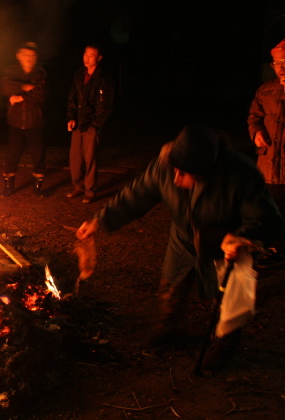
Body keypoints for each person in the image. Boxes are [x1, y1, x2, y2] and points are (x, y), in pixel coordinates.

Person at [75, 125, 284, 371]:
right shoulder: (168, 162)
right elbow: (138, 193)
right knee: (172, 282)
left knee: (227, 296)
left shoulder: (241, 175)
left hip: (225, 241)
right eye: (174, 170)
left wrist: (242, 237)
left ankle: (226, 342)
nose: (175, 178)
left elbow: (268, 219)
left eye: (184, 174)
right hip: (184, 236)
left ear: (205, 170)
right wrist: (102, 219)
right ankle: (168, 327)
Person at [66, 44, 114, 204]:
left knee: (90, 158)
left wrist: (95, 124)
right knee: (75, 158)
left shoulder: (103, 78)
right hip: (79, 122)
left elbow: (104, 105)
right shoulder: (80, 74)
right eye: (85, 53)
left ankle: (90, 191)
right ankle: (78, 187)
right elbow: (73, 97)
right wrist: (71, 117)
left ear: (99, 58)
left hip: (92, 124)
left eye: (91, 55)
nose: (87, 58)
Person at [0, 42, 47, 197]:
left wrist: (20, 96)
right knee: (13, 155)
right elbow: (6, 87)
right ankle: (8, 186)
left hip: (35, 122)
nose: (29, 58)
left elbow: (40, 94)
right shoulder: (11, 71)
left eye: (32, 55)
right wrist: (26, 86)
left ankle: (38, 187)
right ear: (19, 56)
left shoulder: (40, 73)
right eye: (26, 54)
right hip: (15, 122)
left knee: (38, 155)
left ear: (36, 58)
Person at [247, 38, 285, 221]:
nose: (280, 68)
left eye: (284, 62)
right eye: (276, 63)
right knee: (270, 215)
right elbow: (255, 116)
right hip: (268, 167)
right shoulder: (266, 90)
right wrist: (256, 132)